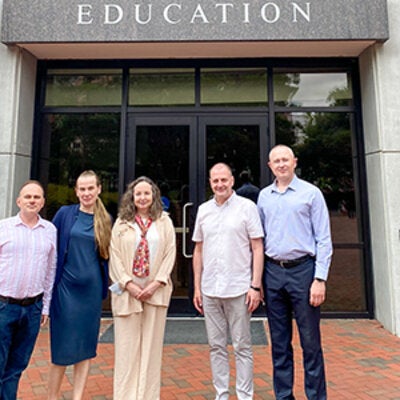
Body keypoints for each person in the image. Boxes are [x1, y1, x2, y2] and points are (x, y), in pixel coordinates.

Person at [257, 145, 333, 400]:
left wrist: (319, 279)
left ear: (294, 162)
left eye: (285, 160)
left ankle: (316, 396)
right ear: (270, 166)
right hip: (273, 272)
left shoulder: (311, 194)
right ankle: (284, 396)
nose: (281, 164)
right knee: (279, 344)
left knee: (310, 343)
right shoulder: (264, 197)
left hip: (304, 272)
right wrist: (258, 281)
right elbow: (258, 240)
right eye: (276, 161)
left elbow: (324, 239)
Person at [192, 163, 264, 400]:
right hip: (210, 289)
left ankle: (245, 396)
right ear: (210, 183)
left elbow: (257, 247)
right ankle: (221, 394)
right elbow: (199, 250)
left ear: (232, 180)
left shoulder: (247, 208)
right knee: (216, 347)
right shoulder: (203, 210)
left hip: (239, 289)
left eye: (224, 180)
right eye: (215, 181)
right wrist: (197, 287)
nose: (220, 185)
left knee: (242, 347)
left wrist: (255, 285)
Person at [109, 176, 176, 400]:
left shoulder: (164, 221)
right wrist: (129, 284)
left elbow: (169, 254)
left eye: (147, 193)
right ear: (132, 197)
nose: (143, 197)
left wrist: (156, 283)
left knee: (151, 350)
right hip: (128, 294)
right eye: (138, 194)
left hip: (155, 293)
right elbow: (115, 257)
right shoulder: (121, 223)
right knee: (127, 350)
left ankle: (147, 396)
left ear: (154, 196)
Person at [47, 170, 112, 400]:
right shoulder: (65, 214)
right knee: (61, 348)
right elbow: (49, 246)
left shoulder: (105, 219)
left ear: (98, 189)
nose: (86, 193)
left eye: (90, 188)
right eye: (82, 189)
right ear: (76, 191)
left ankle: (77, 397)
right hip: (65, 291)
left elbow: (108, 256)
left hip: (91, 294)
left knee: (85, 349)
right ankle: (52, 396)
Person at [0, 180, 57, 400]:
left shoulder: (50, 230)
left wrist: (46, 306)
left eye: (36, 197)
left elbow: (51, 269)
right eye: (28, 197)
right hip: (4, 306)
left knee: (16, 368)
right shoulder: (3, 227)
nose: (32, 200)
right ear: (18, 201)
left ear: (42, 202)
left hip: (32, 308)